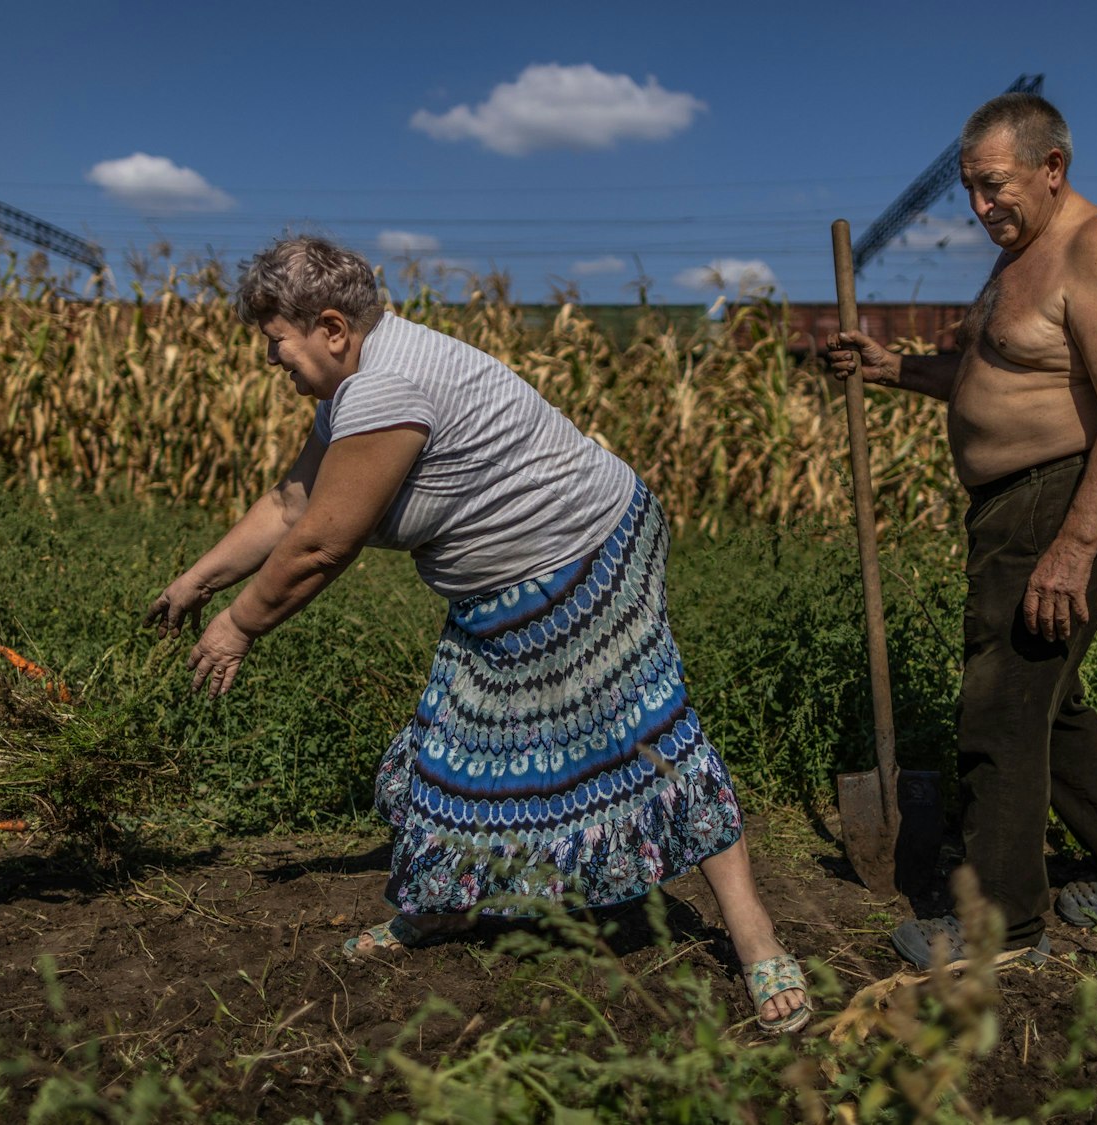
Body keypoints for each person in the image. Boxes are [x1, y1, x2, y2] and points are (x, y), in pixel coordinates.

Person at [146, 236, 810, 1033]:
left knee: (648, 732)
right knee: (456, 743)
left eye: (275, 344)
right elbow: (293, 503)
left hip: (586, 554)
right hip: (497, 594)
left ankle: (753, 932)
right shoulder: (352, 387)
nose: (271, 361)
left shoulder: (387, 384)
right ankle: (444, 904)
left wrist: (237, 626)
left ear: (329, 327)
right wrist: (199, 577)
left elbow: (323, 544)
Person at [828, 93, 1097, 972]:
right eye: (969, 189)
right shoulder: (1023, 257)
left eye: (993, 186)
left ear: (1052, 168)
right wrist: (899, 370)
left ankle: (1004, 925)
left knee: (1000, 705)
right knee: (1044, 696)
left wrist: (1073, 546)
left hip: (1060, 498)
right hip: (1013, 504)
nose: (980, 206)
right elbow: (996, 371)